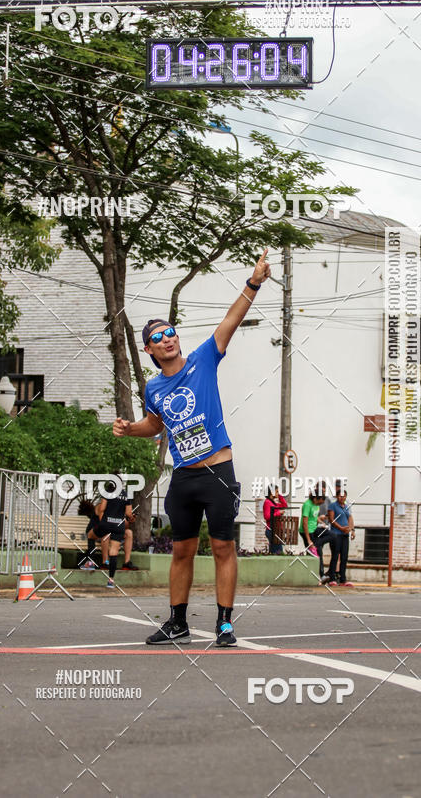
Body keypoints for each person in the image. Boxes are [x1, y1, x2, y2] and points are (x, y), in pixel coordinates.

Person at [113, 250, 271, 648]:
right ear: (149, 350)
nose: (166, 339)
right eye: (156, 338)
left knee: (222, 547)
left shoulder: (203, 359)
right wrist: (130, 429)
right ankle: (177, 622)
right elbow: (155, 426)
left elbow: (231, 320)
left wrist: (253, 283)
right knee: (181, 551)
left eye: (169, 333)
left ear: (177, 338)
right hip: (184, 476)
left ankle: (224, 624)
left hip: (218, 472)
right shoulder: (153, 387)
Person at [83, 482, 139, 584]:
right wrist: (129, 517)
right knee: (110, 542)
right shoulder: (123, 497)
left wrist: (129, 520)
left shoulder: (109, 498)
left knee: (128, 533)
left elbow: (125, 523)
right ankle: (108, 572)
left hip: (109, 527)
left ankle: (126, 562)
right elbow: (101, 513)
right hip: (105, 529)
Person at [300, 480, 334, 582]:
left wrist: (322, 523)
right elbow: (305, 523)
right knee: (316, 554)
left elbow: (315, 517)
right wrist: (309, 540)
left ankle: (316, 544)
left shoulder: (316, 505)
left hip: (315, 529)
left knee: (332, 535)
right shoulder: (307, 505)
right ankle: (319, 576)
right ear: (315, 498)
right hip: (307, 532)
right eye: (320, 502)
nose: (320, 504)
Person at [327, 480, 355, 587]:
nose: (342, 498)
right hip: (336, 534)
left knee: (344, 557)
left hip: (345, 535)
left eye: (344, 496)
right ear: (337, 496)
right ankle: (332, 578)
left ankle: (343, 579)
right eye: (340, 496)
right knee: (335, 556)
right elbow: (331, 520)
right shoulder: (333, 506)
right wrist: (341, 528)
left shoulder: (347, 507)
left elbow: (350, 518)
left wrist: (351, 530)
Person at [263, 485, 288, 554]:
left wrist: (279, 496)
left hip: (276, 530)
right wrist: (278, 513)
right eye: (277, 491)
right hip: (272, 530)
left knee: (277, 551)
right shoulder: (267, 502)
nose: (278, 493)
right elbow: (267, 516)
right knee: (278, 551)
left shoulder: (273, 503)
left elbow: (284, 505)